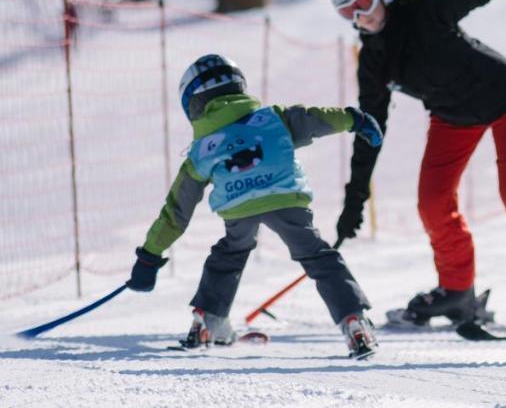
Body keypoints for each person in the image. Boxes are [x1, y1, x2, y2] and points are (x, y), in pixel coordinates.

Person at [328, 0, 506, 330]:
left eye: (362, 3)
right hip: (452, 116)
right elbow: (370, 133)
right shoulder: (373, 63)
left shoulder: (424, 12)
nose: (360, 18)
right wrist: (354, 200)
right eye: (348, 12)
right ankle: (457, 293)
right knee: (432, 203)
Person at [126, 53, 386, 359]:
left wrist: (150, 256)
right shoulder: (272, 118)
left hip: (238, 208)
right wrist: (355, 119)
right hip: (285, 197)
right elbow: (315, 118)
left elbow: (176, 210)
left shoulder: (202, 149)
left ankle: (207, 322)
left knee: (229, 254)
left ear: (193, 104)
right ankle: (353, 321)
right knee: (317, 256)